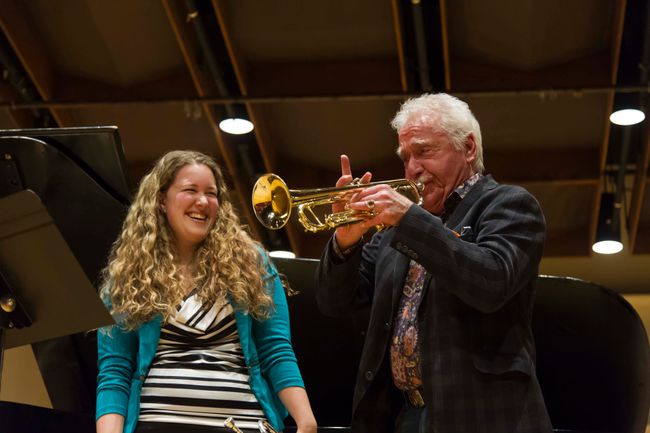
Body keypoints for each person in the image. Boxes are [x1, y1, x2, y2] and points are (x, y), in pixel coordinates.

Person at [315, 93, 553, 433]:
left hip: (482, 416)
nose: (413, 168)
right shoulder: (391, 235)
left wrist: (409, 220)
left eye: (425, 151)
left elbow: (491, 282)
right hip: (403, 416)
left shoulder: (508, 205)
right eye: (406, 157)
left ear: (468, 148)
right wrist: (346, 239)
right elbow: (333, 302)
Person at [96, 150, 317, 433]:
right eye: (190, 190)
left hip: (243, 423)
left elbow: (276, 350)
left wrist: (306, 422)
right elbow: (115, 371)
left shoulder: (251, 263)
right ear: (161, 200)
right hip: (158, 424)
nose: (202, 201)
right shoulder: (130, 273)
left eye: (211, 194)